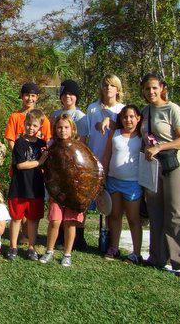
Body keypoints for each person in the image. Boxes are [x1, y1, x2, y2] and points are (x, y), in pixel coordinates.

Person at [140, 73, 180, 278]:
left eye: (154, 88)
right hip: (153, 168)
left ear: (162, 88)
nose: (151, 92)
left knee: (177, 213)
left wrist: (160, 147)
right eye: (147, 89)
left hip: (174, 166)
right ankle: (157, 256)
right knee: (155, 212)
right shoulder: (145, 111)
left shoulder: (172, 109)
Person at [81, 74, 126, 250]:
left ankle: (108, 240)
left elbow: (126, 131)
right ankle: (78, 236)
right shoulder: (92, 108)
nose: (108, 88)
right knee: (85, 201)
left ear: (118, 89)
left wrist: (110, 121)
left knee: (110, 204)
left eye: (112, 85)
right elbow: (86, 134)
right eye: (105, 85)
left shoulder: (121, 109)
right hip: (93, 160)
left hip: (114, 162)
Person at [101, 105, 143, 264]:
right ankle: (114, 247)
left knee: (133, 219)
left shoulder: (142, 136)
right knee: (114, 216)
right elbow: (106, 156)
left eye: (132, 116)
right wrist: (103, 176)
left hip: (133, 183)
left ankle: (136, 253)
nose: (128, 120)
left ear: (138, 118)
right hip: (113, 181)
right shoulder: (115, 134)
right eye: (125, 117)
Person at [39, 114, 83, 267]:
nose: (62, 130)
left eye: (66, 127)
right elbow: (45, 167)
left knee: (70, 222)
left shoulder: (79, 146)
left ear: (72, 129)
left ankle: (67, 253)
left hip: (74, 192)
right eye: (59, 127)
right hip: (56, 191)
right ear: (55, 129)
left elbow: (84, 169)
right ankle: (49, 251)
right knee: (55, 221)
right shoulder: (51, 145)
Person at [6, 109, 47, 261]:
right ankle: (13, 246)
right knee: (16, 218)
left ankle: (31, 247)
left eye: (34, 125)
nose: (31, 128)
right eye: (28, 124)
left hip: (35, 188)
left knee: (33, 219)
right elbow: (20, 165)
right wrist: (39, 162)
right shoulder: (19, 143)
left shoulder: (43, 145)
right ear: (24, 124)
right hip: (19, 187)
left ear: (40, 127)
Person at [4, 82, 52, 151]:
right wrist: (18, 155)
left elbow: (48, 139)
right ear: (21, 96)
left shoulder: (42, 118)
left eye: (33, 96)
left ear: (37, 97)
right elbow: (10, 140)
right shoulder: (15, 117)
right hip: (20, 157)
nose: (30, 98)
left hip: (37, 158)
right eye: (27, 95)